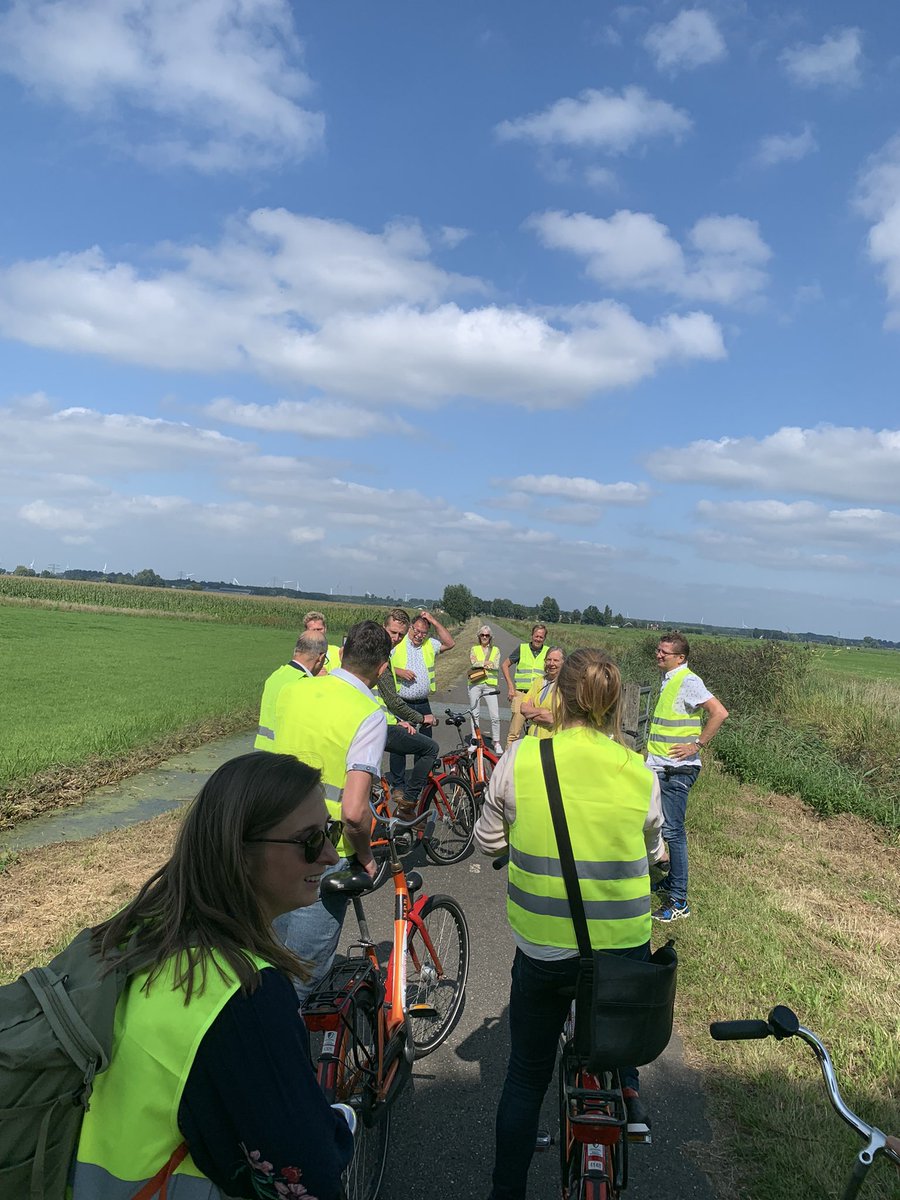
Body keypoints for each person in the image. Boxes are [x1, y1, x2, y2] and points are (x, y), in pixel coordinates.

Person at [72, 751, 354, 1200]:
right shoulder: (246, 997)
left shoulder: (146, 931)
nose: (329, 854)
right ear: (239, 853)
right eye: (308, 840)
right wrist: (343, 1130)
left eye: (331, 831)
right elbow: (307, 1175)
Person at [474, 648, 666, 1200]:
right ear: (613, 705)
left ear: (557, 697)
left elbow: (488, 840)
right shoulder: (638, 771)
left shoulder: (522, 759)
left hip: (543, 949)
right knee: (609, 1038)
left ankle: (505, 1192)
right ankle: (622, 1093)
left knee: (526, 1077)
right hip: (623, 953)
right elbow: (652, 847)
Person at [272, 620, 390, 1000]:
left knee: (268, 961)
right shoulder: (368, 713)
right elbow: (354, 812)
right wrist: (366, 857)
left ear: (341, 649)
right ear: (383, 668)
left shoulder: (293, 692)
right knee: (301, 980)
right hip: (323, 852)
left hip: (271, 843)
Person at [646, 631, 728, 923]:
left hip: (676, 769)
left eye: (664, 653)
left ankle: (679, 900)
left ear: (679, 658)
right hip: (659, 765)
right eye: (658, 650)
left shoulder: (688, 680)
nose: (658, 655)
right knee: (654, 823)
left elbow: (719, 712)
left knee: (673, 833)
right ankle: (669, 882)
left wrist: (697, 745)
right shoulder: (669, 680)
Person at [379, 607, 439, 815]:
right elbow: (391, 700)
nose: (396, 638)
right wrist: (420, 718)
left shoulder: (380, 651)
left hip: (387, 718)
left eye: (400, 635)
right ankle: (408, 804)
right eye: (392, 633)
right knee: (430, 748)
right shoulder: (380, 656)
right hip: (380, 722)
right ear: (383, 628)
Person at [254, 630, 327, 749]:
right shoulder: (304, 684)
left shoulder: (276, 675)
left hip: (262, 750)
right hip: (283, 756)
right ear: (321, 658)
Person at [390, 609, 455, 735]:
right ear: (410, 627)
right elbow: (381, 665)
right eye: (417, 631)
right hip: (402, 702)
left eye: (424, 633)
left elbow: (450, 643)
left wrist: (433, 620)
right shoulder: (398, 641)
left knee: (426, 743)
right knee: (401, 743)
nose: (419, 635)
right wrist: (398, 672)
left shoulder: (429, 644)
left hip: (423, 703)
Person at [500, 623, 548, 748]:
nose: (538, 639)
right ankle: (507, 763)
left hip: (538, 697)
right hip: (521, 694)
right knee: (514, 733)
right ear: (532, 636)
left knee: (536, 733)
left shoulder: (548, 652)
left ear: (544, 639)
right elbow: (505, 665)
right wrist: (511, 687)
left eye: (541, 637)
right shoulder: (522, 649)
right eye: (536, 636)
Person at [519, 646, 565, 740]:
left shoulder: (566, 686)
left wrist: (531, 714)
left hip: (552, 741)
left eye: (556, 660)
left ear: (563, 663)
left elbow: (552, 719)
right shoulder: (538, 681)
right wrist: (542, 711)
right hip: (532, 738)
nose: (551, 663)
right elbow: (523, 708)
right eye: (548, 660)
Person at [468, 624, 502, 746]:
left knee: (495, 716)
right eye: (482, 635)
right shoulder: (474, 649)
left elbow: (496, 665)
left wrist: (480, 663)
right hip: (475, 684)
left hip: (490, 685)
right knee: (474, 713)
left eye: (487, 635)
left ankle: (496, 741)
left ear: (490, 637)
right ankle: (474, 739)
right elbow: (473, 662)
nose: (484, 637)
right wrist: (486, 663)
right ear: (479, 636)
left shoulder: (496, 650)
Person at [302, 610, 343, 675]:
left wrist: (327, 676)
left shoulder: (337, 651)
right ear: (305, 632)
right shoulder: (301, 654)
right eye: (313, 630)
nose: (317, 633)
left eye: (319, 629)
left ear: (325, 629)